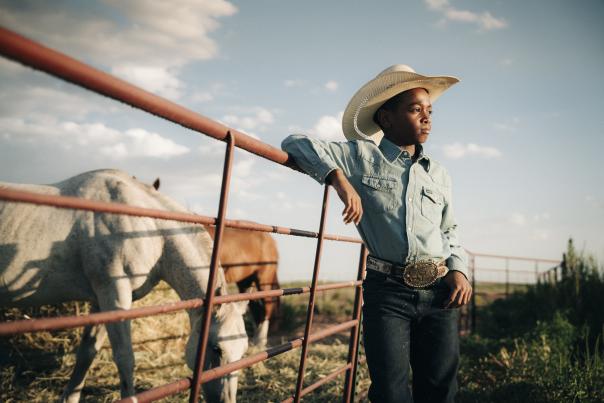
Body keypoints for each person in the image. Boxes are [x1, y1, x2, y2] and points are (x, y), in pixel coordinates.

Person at [281, 64, 472, 403]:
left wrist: (458, 269)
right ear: (386, 118)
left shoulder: (439, 174)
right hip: (388, 294)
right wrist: (338, 181)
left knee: (441, 390)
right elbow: (295, 142)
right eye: (415, 110)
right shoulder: (362, 156)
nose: (427, 118)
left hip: (440, 292)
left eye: (430, 111)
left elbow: (449, 229)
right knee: (390, 392)